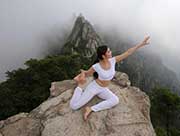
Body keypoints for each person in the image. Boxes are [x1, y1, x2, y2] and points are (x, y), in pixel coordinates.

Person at [69, 36, 150, 121]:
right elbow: (87, 73)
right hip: (94, 87)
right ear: (104, 56)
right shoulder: (96, 67)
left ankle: (91, 109)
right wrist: (81, 76)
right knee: (74, 106)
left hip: (103, 89)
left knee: (115, 100)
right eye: (108, 51)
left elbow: (128, 52)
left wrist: (140, 44)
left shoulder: (113, 60)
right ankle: (79, 87)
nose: (111, 52)